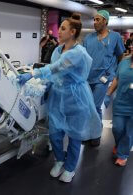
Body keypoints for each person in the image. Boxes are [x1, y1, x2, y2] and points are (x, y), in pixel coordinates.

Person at [17, 13, 101, 183]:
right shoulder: (57, 49)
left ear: (73, 32)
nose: (59, 31)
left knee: (74, 135)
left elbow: (56, 67)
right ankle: (59, 159)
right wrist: (43, 85)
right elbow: (52, 71)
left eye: (63, 28)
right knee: (55, 133)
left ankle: (70, 168)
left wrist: (32, 74)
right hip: (58, 95)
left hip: (76, 97)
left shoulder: (77, 53)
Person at [83, 10, 125, 147]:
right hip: (87, 78)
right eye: (94, 20)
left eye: (98, 20)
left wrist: (117, 73)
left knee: (95, 106)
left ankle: (96, 134)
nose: (95, 22)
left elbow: (120, 56)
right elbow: (82, 58)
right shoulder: (88, 38)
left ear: (105, 21)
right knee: (88, 107)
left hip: (103, 78)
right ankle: (90, 132)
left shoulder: (115, 37)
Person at [104, 48, 133, 166]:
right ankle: (119, 145)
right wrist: (108, 93)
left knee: (129, 132)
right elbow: (116, 79)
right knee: (117, 128)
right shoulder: (124, 62)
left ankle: (122, 154)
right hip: (120, 103)